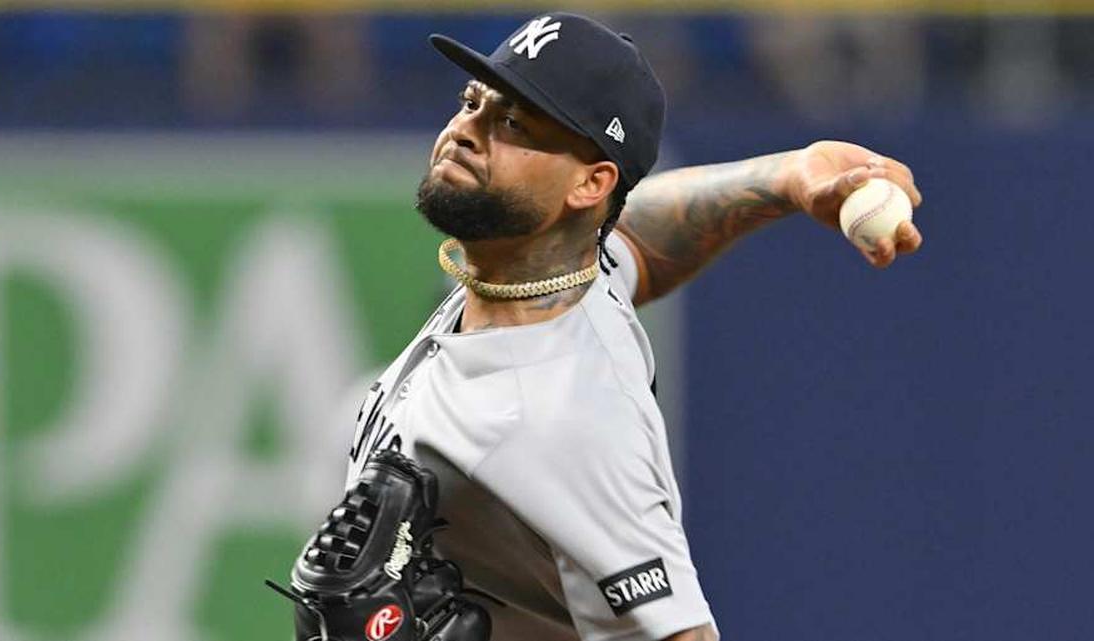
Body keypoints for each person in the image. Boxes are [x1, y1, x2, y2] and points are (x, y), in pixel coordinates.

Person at [342, 12, 922, 641]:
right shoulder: (554, 274)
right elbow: (641, 235)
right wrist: (786, 176)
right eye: (471, 102)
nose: (465, 132)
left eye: (512, 124)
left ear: (591, 184)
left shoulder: (566, 419)